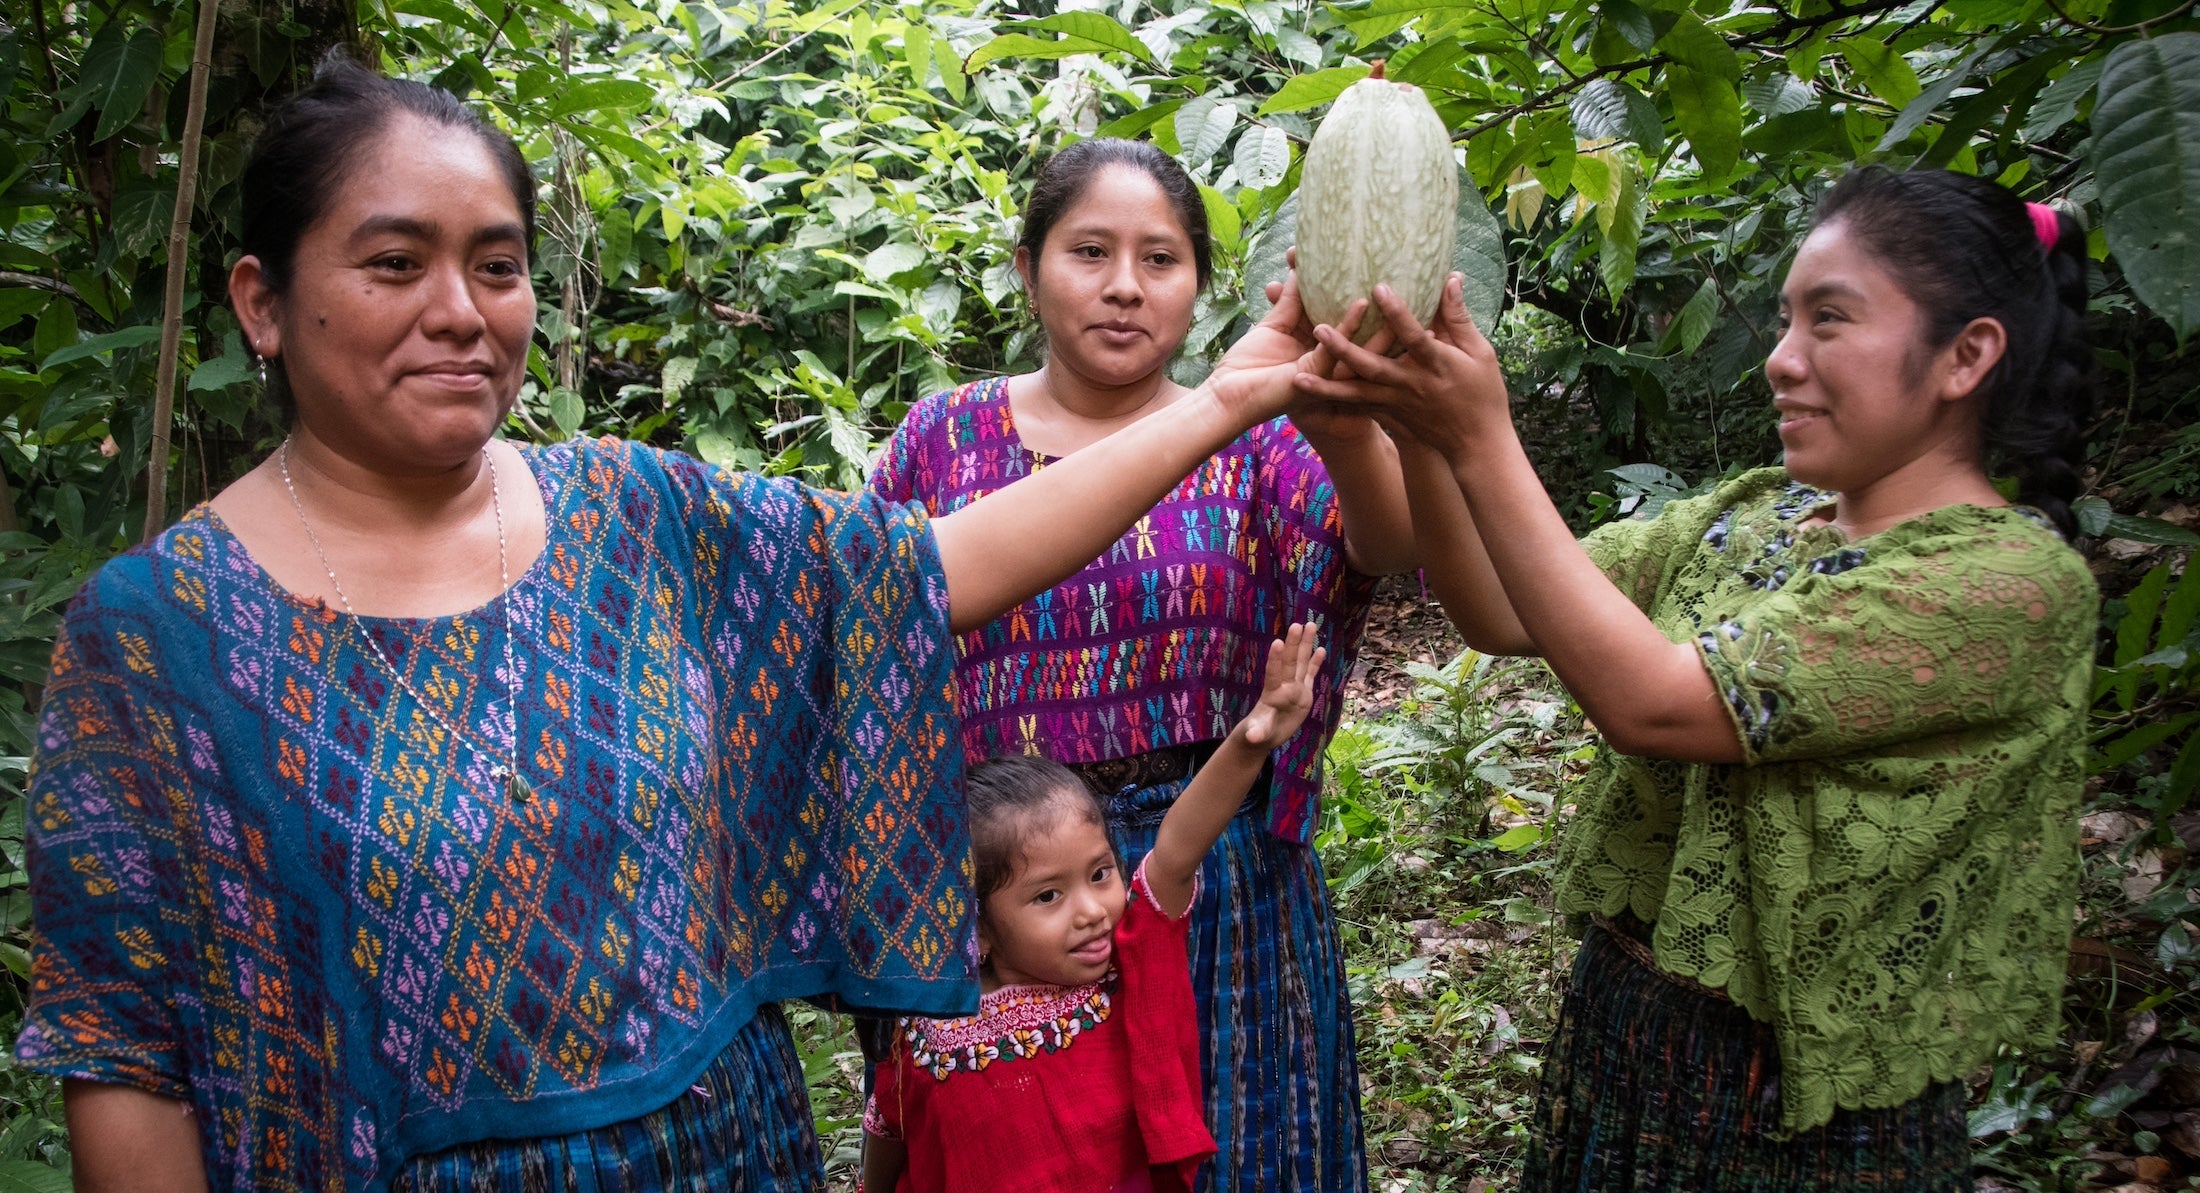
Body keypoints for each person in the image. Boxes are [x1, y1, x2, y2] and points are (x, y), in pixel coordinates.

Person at [14, 60, 1343, 1193]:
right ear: (261, 304)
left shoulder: (634, 516)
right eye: (393, 263)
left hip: (730, 1152)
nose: (461, 312)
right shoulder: (158, 636)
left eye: (497, 265)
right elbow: (126, 1055)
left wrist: (1222, 402)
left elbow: (931, 568)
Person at [1297, 167, 2098, 1190]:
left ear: (1966, 355)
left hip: (1794, 1105)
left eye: (1828, 321)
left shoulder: (2006, 583)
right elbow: (1500, 609)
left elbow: (1654, 704)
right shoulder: (1753, 513)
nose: (1781, 359)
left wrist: (1480, 434)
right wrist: (1415, 429)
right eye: (1784, 320)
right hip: (1634, 1028)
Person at [866, 138, 1410, 1192]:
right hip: (1001, 897)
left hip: (1215, 879)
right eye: (1089, 252)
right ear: (1027, 268)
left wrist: (1338, 421)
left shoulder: (1254, 436)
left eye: (1160, 259)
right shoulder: (943, 436)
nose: (1124, 287)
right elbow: (868, 645)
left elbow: (1379, 547)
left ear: (1201, 286)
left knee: (1244, 1146)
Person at [860, 624, 1326, 1193]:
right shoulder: (923, 1028)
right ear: (975, 928)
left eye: (1100, 874)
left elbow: (1175, 854)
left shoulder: (1126, 970)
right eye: (1048, 895)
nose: (1092, 910)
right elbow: (890, 1130)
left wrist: (1249, 743)